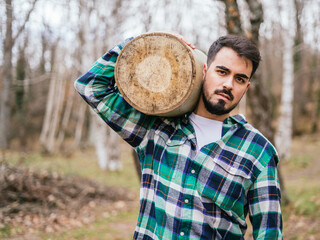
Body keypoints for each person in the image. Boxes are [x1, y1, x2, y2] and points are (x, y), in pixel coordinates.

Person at [74, 34, 283, 239]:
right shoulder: (156, 128)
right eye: (222, 72)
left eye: (239, 79)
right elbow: (91, 86)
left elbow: (270, 234)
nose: (229, 84)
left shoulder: (259, 152)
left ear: (246, 87)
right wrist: (145, 41)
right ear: (204, 70)